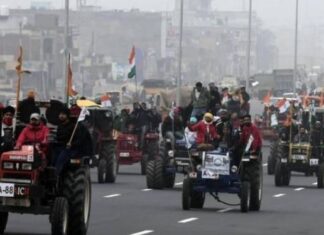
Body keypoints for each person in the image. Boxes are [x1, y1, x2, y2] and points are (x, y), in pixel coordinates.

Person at [53, 107, 92, 175]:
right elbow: (59, 138)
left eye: (63, 114)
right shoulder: (60, 126)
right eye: (60, 114)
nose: (61, 116)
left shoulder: (75, 127)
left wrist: (72, 144)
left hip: (72, 149)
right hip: (60, 147)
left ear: (67, 116)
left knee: (62, 157)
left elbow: (80, 140)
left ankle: (56, 174)